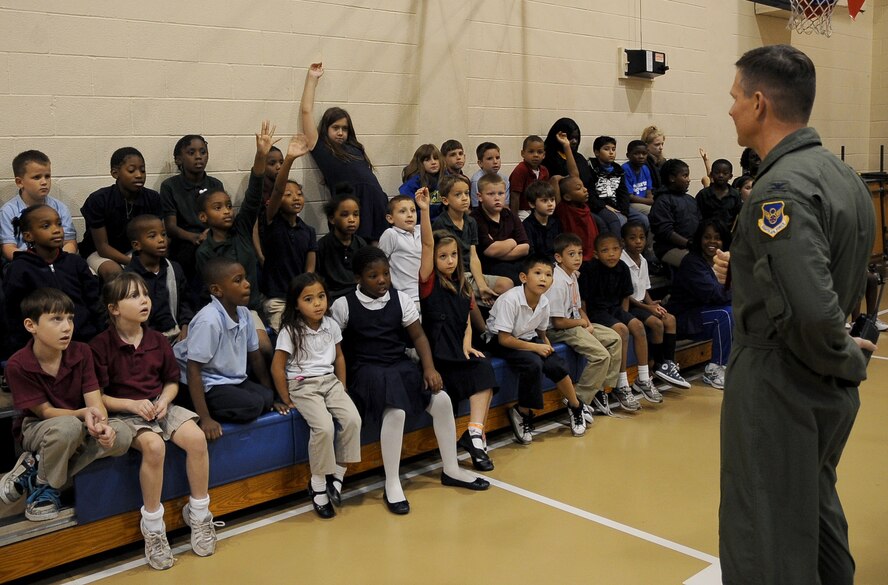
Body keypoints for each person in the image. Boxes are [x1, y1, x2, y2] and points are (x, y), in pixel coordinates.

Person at [717, 44, 875, 585]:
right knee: (813, 511)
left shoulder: (777, 192)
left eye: (735, 98)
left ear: (759, 104)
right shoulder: (844, 177)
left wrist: (841, 353)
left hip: (781, 380)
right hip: (821, 382)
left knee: (766, 534)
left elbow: (808, 309)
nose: (731, 108)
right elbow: (835, 274)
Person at [331, 246, 489, 515]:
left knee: (442, 400)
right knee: (396, 411)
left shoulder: (400, 299)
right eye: (373, 275)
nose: (382, 280)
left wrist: (428, 368)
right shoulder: (343, 305)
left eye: (385, 274)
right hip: (366, 370)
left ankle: (451, 469)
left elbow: (418, 337)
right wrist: (341, 382)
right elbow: (336, 348)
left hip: (398, 365)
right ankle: (392, 482)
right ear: (358, 277)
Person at [91, 273, 216, 569]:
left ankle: (199, 515)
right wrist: (132, 405)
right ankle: (153, 527)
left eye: (144, 294)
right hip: (124, 412)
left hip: (158, 406)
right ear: (114, 308)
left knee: (197, 439)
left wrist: (164, 400)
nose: (143, 300)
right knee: (154, 446)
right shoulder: (99, 345)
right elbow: (98, 397)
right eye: (133, 296)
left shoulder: (158, 339)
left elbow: (171, 382)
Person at [0, 288, 130, 521]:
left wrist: (102, 425)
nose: (67, 327)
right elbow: (46, 411)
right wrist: (83, 414)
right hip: (38, 427)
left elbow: (94, 400)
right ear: (31, 325)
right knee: (67, 427)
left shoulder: (82, 351)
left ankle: (35, 468)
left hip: (79, 424)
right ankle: (43, 489)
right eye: (56, 319)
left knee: (121, 435)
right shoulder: (18, 364)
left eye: (70, 319)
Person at [416, 187, 497, 472]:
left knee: (484, 369)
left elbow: (465, 319)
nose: (449, 261)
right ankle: (473, 440)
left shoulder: (463, 286)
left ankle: (474, 434)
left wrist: (467, 341)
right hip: (437, 358)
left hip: (456, 350)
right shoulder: (428, 283)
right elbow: (427, 244)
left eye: (453, 255)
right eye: (443, 256)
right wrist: (425, 210)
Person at [270, 273, 361, 519]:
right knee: (324, 428)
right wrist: (286, 396)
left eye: (321, 297)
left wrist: (341, 385)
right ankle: (318, 486)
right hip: (303, 386)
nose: (318, 303)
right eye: (309, 299)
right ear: (296, 304)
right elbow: (277, 367)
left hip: (330, 382)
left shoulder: (330, 325)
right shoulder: (290, 330)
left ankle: (337, 479)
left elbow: (339, 356)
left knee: (353, 420)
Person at [194, 121, 276, 359]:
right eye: (218, 208)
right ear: (203, 216)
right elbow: (209, 291)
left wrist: (261, 155)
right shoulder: (205, 251)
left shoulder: (241, 229)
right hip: (221, 313)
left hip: (250, 309)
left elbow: (253, 194)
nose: (227, 211)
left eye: (228, 206)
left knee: (264, 348)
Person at [485, 254, 587, 444]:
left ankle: (575, 405)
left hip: (528, 337)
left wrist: (547, 348)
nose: (543, 278)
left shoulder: (544, 302)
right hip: (499, 340)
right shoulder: (510, 300)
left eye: (548, 275)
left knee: (555, 363)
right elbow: (504, 339)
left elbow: (541, 334)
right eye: (538, 273)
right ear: (524, 277)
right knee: (532, 363)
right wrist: (535, 348)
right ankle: (522, 412)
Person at [173, 257, 275, 441]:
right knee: (251, 406)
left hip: (226, 378)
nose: (247, 284)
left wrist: (272, 398)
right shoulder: (209, 320)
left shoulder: (244, 313)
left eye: (245, 278)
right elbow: (193, 370)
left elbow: (256, 357)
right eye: (238, 280)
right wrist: (205, 418)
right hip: (200, 382)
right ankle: (194, 409)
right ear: (217, 290)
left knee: (266, 398)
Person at [300, 62, 388, 244]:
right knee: (356, 248)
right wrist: (312, 79)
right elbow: (306, 111)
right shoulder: (321, 148)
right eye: (335, 128)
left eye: (344, 129)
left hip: (375, 201)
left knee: (376, 252)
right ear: (326, 129)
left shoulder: (355, 147)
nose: (340, 132)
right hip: (352, 204)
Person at [4, 205, 102, 350]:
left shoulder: (75, 263)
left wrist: (98, 334)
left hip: (84, 341)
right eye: (46, 226)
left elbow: (95, 302)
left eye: (59, 224)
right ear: (28, 236)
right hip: (42, 346)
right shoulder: (19, 269)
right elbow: (13, 314)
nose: (56, 230)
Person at [545, 232, 621, 419]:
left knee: (614, 338)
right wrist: (581, 323)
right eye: (571, 254)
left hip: (573, 324)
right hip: (556, 330)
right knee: (601, 356)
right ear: (558, 257)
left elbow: (578, 309)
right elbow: (558, 322)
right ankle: (578, 400)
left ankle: (601, 390)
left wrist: (586, 323)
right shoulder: (557, 282)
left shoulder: (572, 276)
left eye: (579, 253)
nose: (578, 258)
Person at [582, 233, 654, 410]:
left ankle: (643, 378)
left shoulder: (622, 267)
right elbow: (582, 301)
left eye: (615, 249)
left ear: (621, 251)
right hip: (596, 312)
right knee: (621, 330)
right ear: (596, 254)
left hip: (615, 309)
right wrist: (586, 321)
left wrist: (625, 315)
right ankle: (621, 385)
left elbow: (625, 296)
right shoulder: (589, 270)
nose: (611, 254)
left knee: (636, 325)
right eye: (605, 250)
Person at [621, 222, 689, 389]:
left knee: (670, 319)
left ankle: (669, 363)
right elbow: (626, 296)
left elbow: (643, 289)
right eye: (633, 238)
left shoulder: (643, 260)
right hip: (629, 306)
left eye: (642, 238)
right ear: (623, 241)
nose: (638, 241)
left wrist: (652, 304)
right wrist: (648, 308)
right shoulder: (621, 262)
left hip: (642, 303)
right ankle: (658, 364)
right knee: (656, 323)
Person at [259, 134, 317, 333]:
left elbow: (310, 269)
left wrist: (306, 296)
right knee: (288, 336)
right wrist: (290, 158)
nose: (295, 198)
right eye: (288, 194)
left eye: (299, 194)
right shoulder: (271, 221)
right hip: (277, 299)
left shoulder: (308, 231)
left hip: (301, 297)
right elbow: (276, 190)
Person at [667, 220, 733, 389]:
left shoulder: (723, 262)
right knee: (725, 314)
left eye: (717, 238)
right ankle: (714, 370)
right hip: (685, 318)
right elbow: (714, 295)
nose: (712, 242)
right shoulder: (692, 262)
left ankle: (732, 366)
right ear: (699, 239)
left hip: (704, 314)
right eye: (707, 237)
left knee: (738, 311)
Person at [79, 147, 162, 281]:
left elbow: (156, 235)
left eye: (142, 170)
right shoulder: (99, 200)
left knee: (161, 268)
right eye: (131, 170)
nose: (139, 175)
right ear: (115, 173)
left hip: (135, 249)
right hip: (99, 252)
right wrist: (135, 263)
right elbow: (102, 247)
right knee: (114, 273)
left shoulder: (152, 198)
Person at [433, 174, 512, 308]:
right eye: (458, 195)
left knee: (507, 284)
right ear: (446, 200)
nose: (465, 198)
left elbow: (473, 256)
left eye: (466, 193)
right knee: (468, 294)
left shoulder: (471, 222)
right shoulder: (441, 223)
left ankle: (494, 317)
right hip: (454, 275)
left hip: (471, 273)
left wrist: (481, 284)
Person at [160, 135, 223, 280]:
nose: (198, 157)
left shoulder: (215, 185)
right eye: (191, 152)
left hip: (212, 235)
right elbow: (170, 227)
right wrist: (193, 237)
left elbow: (220, 219)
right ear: (178, 159)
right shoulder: (170, 186)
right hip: (184, 240)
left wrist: (210, 233)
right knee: (190, 255)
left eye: (203, 152)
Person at [125, 215, 194, 344]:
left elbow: (186, 303)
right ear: (137, 245)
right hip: (146, 341)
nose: (161, 240)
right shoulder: (129, 277)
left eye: (163, 234)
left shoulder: (174, 269)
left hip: (178, 335)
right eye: (152, 236)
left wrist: (186, 326)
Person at [1, 150, 78, 263]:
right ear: (19, 182)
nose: (44, 182)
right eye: (37, 177)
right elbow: (8, 248)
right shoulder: (8, 211)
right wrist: (35, 263)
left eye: (47, 176)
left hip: (58, 262)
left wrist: (58, 261)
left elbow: (70, 243)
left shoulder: (60, 208)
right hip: (24, 264)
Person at [472, 173, 529, 284]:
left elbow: (525, 247)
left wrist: (499, 250)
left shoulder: (510, 215)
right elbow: (490, 251)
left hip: (517, 263)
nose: (497, 198)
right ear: (480, 196)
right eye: (491, 194)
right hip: (491, 267)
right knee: (514, 280)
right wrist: (512, 241)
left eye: (501, 193)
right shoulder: (475, 219)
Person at [315, 189, 367, 302]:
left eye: (356, 214)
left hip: (358, 297)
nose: (352, 220)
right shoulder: (322, 246)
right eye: (345, 215)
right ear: (332, 219)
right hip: (332, 298)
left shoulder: (361, 244)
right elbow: (317, 279)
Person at [649, 158, 701, 267]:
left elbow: (700, 222)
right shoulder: (662, 201)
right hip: (669, 248)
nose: (689, 180)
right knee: (695, 263)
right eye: (685, 176)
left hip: (692, 246)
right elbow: (666, 232)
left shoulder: (690, 199)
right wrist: (688, 244)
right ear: (672, 178)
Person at [378, 196, 421, 307]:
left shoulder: (421, 230)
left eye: (413, 210)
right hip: (407, 296)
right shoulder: (391, 234)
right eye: (402, 211)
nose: (410, 215)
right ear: (390, 218)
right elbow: (379, 263)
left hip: (427, 292)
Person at [554, 176, 599, 263]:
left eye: (583, 186)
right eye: (579, 188)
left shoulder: (584, 207)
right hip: (577, 256)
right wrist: (555, 180)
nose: (585, 189)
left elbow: (575, 174)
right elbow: (556, 195)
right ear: (567, 197)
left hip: (593, 254)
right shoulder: (564, 209)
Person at [509, 135, 550, 220]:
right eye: (531, 152)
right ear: (523, 153)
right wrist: (514, 218)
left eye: (539, 152)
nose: (535, 155)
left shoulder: (544, 171)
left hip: (537, 208)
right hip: (522, 210)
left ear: (544, 155)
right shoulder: (521, 170)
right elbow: (515, 196)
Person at [398, 144, 443, 220]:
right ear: (420, 163)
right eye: (427, 160)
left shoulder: (446, 178)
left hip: (442, 223)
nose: (433, 162)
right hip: (419, 223)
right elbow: (408, 209)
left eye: (436, 158)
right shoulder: (413, 183)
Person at [696, 158, 742, 229]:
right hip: (707, 233)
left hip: (729, 235)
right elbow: (697, 216)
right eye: (717, 172)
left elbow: (738, 216)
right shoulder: (703, 194)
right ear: (711, 174)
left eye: (725, 173)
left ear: (730, 176)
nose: (721, 175)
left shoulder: (735, 194)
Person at [521, 181, 561, 261]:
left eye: (552, 200)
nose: (550, 204)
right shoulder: (526, 225)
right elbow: (531, 253)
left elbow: (561, 246)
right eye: (544, 201)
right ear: (532, 204)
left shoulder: (556, 222)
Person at [470, 142, 511, 208]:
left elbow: (505, 205)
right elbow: (476, 207)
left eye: (497, 158)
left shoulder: (504, 179)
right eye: (489, 158)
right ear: (480, 163)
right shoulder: (476, 181)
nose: (495, 162)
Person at [622, 139, 655, 216]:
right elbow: (630, 197)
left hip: (645, 202)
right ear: (628, 155)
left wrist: (652, 199)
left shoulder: (645, 168)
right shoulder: (625, 169)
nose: (641, 156)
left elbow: (648, 191)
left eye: (644, 154)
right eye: (636, 153)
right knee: (654, 212)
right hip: (631, 203)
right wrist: (650, 202)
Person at [641, 125, 666, 192]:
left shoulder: (663, 161)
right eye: (657, 144)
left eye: (662, 144)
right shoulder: (643, 163)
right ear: (647, 146)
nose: (661, 148)